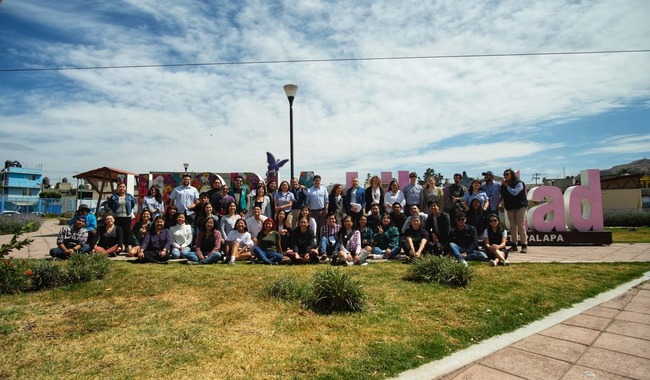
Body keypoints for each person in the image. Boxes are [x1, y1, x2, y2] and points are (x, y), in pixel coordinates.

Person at [500, 168, 529, 253]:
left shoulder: (519, 183)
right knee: (512, 226)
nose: (505, 176)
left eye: (507, 174)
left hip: (520, 206)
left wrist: (507, 186)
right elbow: (503, 195)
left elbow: (515, 192)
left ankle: (524, 245)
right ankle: (514, 244)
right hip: (510, 207)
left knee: (520, 225)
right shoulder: (504, 185)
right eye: (504, 174)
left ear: (512, 175)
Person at [105, 183, 137, 250]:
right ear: (117, 188)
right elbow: (110, 205)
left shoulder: (129, 196)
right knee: (118, 231)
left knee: (127, 231)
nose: (121, 188)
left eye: (123, 187)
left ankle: (126, 246)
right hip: (117, 217)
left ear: (125, 188)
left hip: (127, 216)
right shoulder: (114, 196)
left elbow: (133, 204)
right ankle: (118, 246)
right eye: (120, 187)